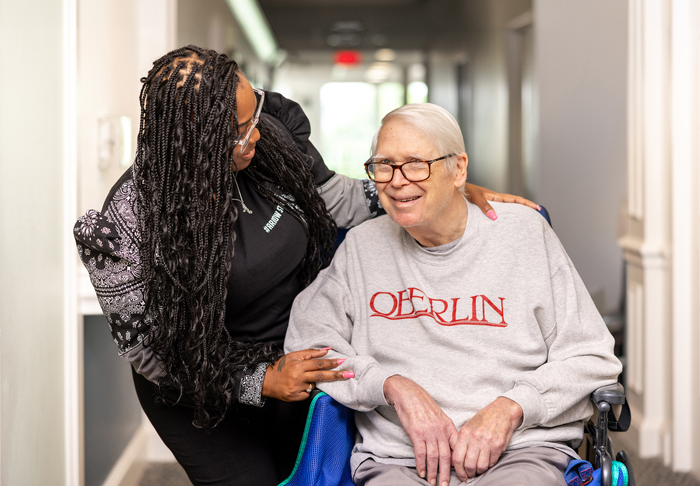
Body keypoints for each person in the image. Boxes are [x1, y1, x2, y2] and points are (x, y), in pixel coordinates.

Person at [74, 46, 536, 486]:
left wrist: (442, 191)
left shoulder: (266, 144)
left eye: (253, 115)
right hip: (201, 389)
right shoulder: (126, 225)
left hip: (300, 357)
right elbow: (152, 356)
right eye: (238, 130)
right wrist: (262, 380)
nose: (254, 133)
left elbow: (344, 201)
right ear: (194, 142)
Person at [285, 103, 622, 486]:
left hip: (522, 451)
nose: (396, 181)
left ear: (458, 169)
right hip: (398, 458)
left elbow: (590, 356)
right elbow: (309, 343)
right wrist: (389, 385)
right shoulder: (363, 247)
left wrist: (512, 407)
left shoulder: (524, 235)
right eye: (384, 164)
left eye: (415, 163)